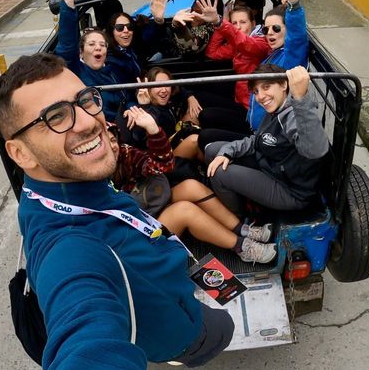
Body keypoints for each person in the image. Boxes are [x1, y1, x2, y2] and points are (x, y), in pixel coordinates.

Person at [0, 53, 234, 370]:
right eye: (56, 116)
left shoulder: (67, 185)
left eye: (86, 100)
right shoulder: (69, 247)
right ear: (20, 153)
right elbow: (85, 343)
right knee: (225, 328)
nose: (89, 121)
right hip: (186, 332)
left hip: (169, 285)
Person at [109, 108, 275, 263]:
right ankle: (241, 247)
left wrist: (153, 130)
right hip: (134, 234)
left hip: (147, 205)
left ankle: (242, 229)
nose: (112, 146)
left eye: (112, 140)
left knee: (190, 187)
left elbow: (161, 166)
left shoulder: (124, 153)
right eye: (105, 142)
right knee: (185, 210)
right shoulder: (93, 180)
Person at [205, 65, 330, 218]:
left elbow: (314, 150)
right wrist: (227, 152)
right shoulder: (276, 109)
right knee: (214, 151)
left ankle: (240, 220)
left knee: (218, 174)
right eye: (256, 92)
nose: (260, 96)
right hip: (272, 167)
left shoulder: (292, 115)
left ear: (284, 85)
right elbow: (257, 140)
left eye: (266, 87)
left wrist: (301, 98)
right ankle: (239, 198)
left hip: (290, 190)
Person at [54, 0, 132, 121]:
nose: (98, 47)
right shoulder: (77, 71)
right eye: (91, 44)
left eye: (102, 45)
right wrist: (68, 3)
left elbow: (128, 97)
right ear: (81, 53)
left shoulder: (112, 71)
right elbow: (67, 47)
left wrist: (131, 109)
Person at [247, 0, 309, 131]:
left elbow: (296, 38)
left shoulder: (290, 60)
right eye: (266, 30)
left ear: (286, 28)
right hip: (255, 128)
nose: (270, 33)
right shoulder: (272, 55)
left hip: (269, 134)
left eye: (275, 28)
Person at [195, 0, 270, 133]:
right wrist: (222, 24)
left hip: (252, 109)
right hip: (239, 100)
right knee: (199, 96)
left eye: (243, 22)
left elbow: (246, 44)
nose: (238, 27)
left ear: (253, 24)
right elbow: (212, 52)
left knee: (207, 116)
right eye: (234, 23)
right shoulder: (236, 44)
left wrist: (220, 23)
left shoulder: (261, 42)